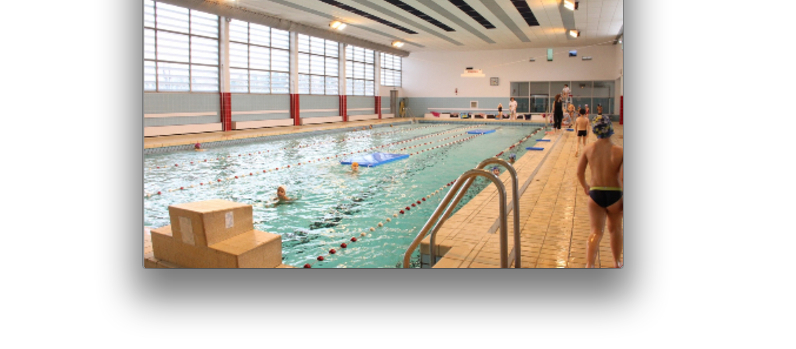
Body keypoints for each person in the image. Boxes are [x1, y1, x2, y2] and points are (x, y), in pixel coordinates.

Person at [576, 115, 623, 268]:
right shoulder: (620, 151)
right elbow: (623, 178)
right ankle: (616, 262)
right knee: (615, 229)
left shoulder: (588, 149)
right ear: (611, 130)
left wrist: (585, 186)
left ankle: (589, 265)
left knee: (595, 231)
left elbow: (579, 172)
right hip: (615, 194)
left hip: (595, 194)